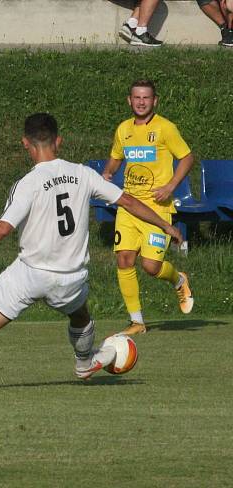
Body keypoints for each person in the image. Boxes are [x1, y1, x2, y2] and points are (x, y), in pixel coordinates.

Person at [0, 113, 182, 394]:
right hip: (72, 279)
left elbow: (2, 229)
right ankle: (85, 362)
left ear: (25, 143)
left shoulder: (28, 183)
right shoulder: (84, 174)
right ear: (58, 141)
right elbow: (127, 201)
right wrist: (164, 225)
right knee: (81, 316)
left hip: (31, 274)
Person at [103, 79, 194, 336]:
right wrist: (108, 172)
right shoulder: (123, 130)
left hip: (158, 207)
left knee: (151, 267)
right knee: (124, 259)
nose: (141, 102)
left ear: (155, 101)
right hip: (129, 206)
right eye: (136, 98)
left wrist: (171, 186)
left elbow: (187, 158)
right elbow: (115, 158)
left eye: (146, 98)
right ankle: (137, 322)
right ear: (129, 101)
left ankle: (178, 279)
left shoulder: (165, 128)